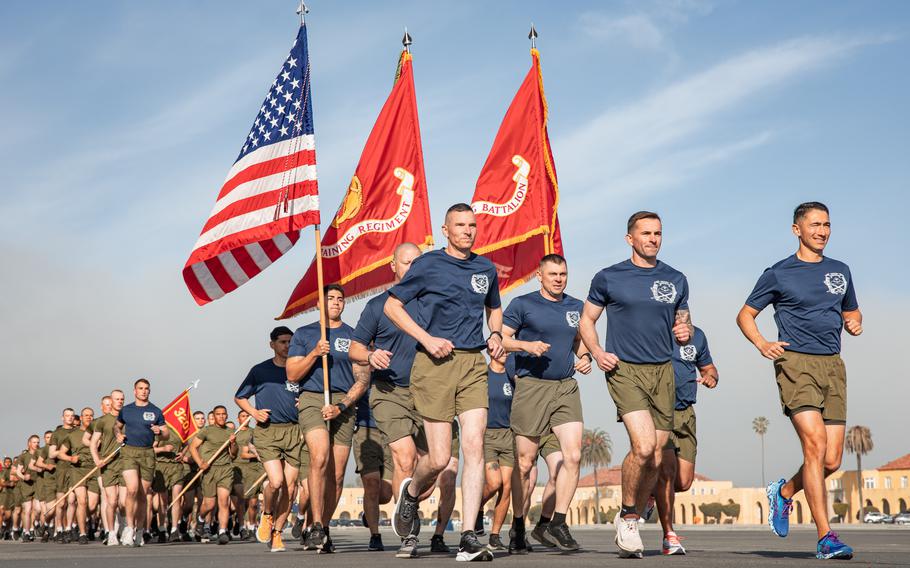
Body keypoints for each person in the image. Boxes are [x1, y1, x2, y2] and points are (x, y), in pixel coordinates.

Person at [736, 202, 861, 560]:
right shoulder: (778, 272)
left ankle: (786, 491)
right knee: (815, 444)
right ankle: (826, 537)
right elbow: (745, 314)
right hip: (795, 363)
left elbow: (852, 310)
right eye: (815, 225)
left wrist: (855, 323)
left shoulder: (841, 270)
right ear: (797, 230)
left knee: (832, 460)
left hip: (833, 366)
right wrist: (762, 343)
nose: (822, 231)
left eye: (827, 225)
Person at [385, 203, 504, 562]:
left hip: (471, 362)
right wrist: (425, 338)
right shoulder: (428, 265)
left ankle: (468, 535)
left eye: (472, 225)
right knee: (438, 459)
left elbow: (494, 307)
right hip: (434, 364)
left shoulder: (486, 267)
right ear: (446, 229)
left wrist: (495, 333)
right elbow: (393, 306)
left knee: (473, 446)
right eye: (460, 225)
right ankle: (412, 492)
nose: (467, 231)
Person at [579, 211, 692, 559]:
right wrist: (597, 351)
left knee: (656, 455)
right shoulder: (609, 277)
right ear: (631, 239)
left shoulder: (676, 278)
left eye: (658, 233)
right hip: (625, 369)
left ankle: (633, 512)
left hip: (663, 372)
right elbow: (587, 319)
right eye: (646, 233)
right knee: (643, 447)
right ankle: (629, 516)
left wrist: (684, 329)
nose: (653, 239)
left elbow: (683, 319)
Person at [502, 253, 591, 553]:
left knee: (574, 455)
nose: (558, 279)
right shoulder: (522, 304)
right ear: (539, 275)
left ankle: (559, 522)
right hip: (531, 387)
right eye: (552, 274)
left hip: (565, 387)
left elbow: (580, 341)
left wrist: (585, 358)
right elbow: (500, 339)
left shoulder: (576, 307)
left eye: (563, 274)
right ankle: (517, 525)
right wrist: (526, 345)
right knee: (525, 464)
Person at [287, 284, 371, 553]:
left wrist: (343, 405)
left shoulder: (353, 336)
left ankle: (321, 525)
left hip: (343, 404)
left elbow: (363, 379)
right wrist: (314, 353)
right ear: (320, 303)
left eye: (340, 299)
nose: (336, 303)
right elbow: (292, 375)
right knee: (319, 456)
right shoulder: (304, 333)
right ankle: (316, 525)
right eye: (330, 298)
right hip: (313, 398)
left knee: (336, 476)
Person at [652, 325, 718, 555]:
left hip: (686, 413)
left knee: (683, 482)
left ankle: (649, 490)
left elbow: (709, 368)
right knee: (668, 472)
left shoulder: (698, 335)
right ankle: (668, 536)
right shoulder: (655, 329)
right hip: (659, 411)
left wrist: (711, 377)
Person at [234, 326, 301, 553]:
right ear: (272, 344)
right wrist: (254, 413)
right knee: (276, 482)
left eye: (290, 342)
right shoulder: (260, 370)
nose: (287, 346)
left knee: (290, 490)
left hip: (294, 432)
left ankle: (278, 533)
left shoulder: (299, 368)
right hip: (267, 431)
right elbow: (240, 396)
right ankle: (268, 513)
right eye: (283, 342)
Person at [115, 378, 167, 547]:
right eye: (140, 388)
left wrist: (160, 431)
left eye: (146, 389)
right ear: (135, 391)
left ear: (149, 391)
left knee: (143, 494)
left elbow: (165, 433)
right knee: (131, 489)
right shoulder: (126, 410)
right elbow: (117, 426)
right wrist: (118, 434)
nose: (144, 391)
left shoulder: (156, 411)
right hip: (129, 451)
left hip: (147, 453)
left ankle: (139, 530)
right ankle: (129, 528)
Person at [477, 353, 513, 551]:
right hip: (488, 435)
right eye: (502, 349)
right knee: (493, 483)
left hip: (509, 436)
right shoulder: (483, 374)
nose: (506, 353)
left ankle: (495, 535)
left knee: (506, 487)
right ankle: (477, 508)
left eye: (509, 350)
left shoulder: (512, 375)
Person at [190, 405, 237, 545]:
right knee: (209, 504)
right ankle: (200, 519)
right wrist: (200, 463)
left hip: (225, 469)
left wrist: (233, 443)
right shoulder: (206, 430)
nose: (221, 416)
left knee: (223, 500)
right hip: (209, 469)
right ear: (214, 416)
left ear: (227, 416)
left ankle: (222, 531)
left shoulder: (231, 432)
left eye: (224, 414)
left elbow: (233, 454)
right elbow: (193, 447)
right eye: (218, 414)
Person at [59, 407, 100, 544]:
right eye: (86, 415)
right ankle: (82, 533)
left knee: (92, 505)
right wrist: (71, 459)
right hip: (78, 469)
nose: (88, 417)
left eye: (91, 415)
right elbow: (61, 453)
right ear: (80, 418)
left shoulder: (98, 433)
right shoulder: (72, 435)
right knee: (81, 501)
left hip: (94, 469)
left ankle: (82, 520)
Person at [90, 389, 125, 546]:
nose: (119, 402)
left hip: (126, 463)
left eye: (121, 399)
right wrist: (97, 459)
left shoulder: (128, 418)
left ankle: (125, 529)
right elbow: (92, 443)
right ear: (111, 401)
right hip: (108, 465)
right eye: (116, 399)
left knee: (124, 502)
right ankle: (111, 532)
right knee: (112, 500)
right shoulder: (102, 421)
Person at [48, 408, 77, 543]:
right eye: (67, 416)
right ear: (62, 418)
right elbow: (51, 454)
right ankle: (59, 528)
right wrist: (64, 452)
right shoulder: (57, 433)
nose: (70, 418)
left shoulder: (77, 431)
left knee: (72, 501)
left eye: (72, 415)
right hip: (61, 469)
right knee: (61, 502)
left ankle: (68, 528)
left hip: (76, 469)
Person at [232, 409, 261, 541]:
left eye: (247, 416)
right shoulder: (234, 433)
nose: (245, 418)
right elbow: (241, 454)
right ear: (238, 419)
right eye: (243, 416)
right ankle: (242, 526)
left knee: (253, 502)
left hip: (253, 468)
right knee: (241, 499)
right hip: (238, 468)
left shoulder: (254, 432)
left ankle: (252, 527)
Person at [14, 436, 39, 542]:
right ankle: (27, 532)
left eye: (38, 442)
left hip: (38, 483)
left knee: (38, 509)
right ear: (29, 443)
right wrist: (24, 477)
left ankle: (35, 526)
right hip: (26, 485)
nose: (36, 444)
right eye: (34, 442)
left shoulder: (41, 454)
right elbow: (18, 471)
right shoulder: (23, 456)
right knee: (27, 510)